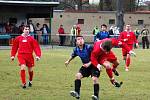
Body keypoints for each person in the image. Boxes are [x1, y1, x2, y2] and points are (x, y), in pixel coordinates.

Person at [65, 36, 100, 100]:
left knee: (94, 79)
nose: (80, 40)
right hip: (86, 66)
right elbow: (73, 55)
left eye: (81, 39)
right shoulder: (76, 49)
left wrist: (89, 63)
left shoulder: (89, 47)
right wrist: (68, 61)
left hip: (94, 65)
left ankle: (96, 96)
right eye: (78, 39)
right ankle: (77, 93)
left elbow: (96, 57)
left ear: (83, 40)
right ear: (76, 42)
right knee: (78, 75)